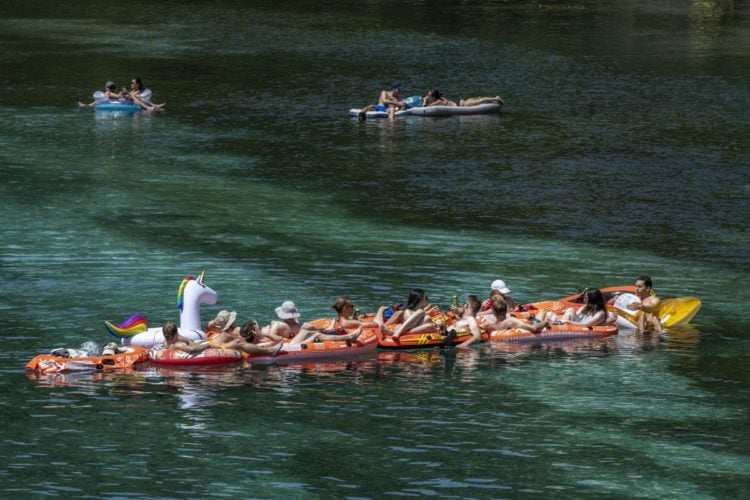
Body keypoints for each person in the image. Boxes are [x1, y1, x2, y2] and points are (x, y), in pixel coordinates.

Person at [537, 288, 612, 327]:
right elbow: (572, 316)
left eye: (586, 297)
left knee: (570, 310)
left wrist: (567, 321)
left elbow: (587, 325)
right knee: (549, 314)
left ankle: (553, 325)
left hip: (581, 328)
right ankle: (540, 324)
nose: (584, 299)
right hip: (574, 324)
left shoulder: (600, 313)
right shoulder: (584, 308)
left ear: (592, 299)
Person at [209, 320, 283, 355]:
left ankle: (208, 345)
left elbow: (279, 339)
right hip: (223, 346)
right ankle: (208, 345)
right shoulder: (261, 341)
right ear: (254, 333)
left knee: (226, 335)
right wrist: (262, 334)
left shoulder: (241, 339)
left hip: (224, 346)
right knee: (225, 335)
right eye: (258, 327)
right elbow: (280, 339)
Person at [484, 298, 550, 333]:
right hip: (532, 326)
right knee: (543, 311)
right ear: (506, 310)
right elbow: (533, 328)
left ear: (493, 312)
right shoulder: (510, 321)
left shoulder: (488, 324)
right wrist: (545, 322)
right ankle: (549, 320)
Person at [422, 89, 503, 108]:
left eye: (428, 95)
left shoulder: (438, 101)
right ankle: (494, 98)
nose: (427, 96)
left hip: (463, 104)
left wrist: (425, 101)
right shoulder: (440, 99)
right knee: (479, 99)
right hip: (461, 101)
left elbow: (426, 107)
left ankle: (496, 99)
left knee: (480, 101)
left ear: (433, 97)